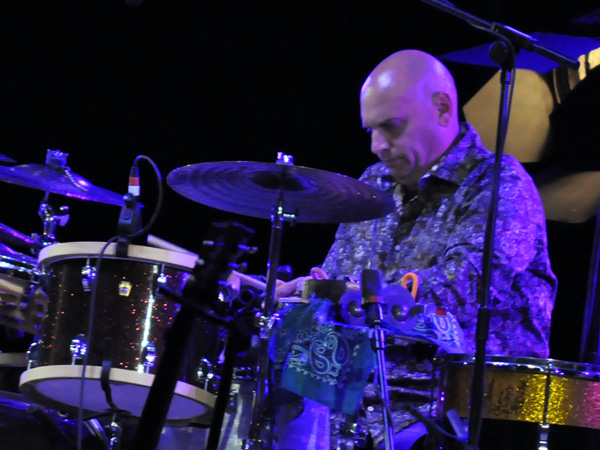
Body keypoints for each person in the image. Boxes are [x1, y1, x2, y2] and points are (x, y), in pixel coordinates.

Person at [270, 49, 557, 450]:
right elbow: (339, 284)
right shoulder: (374, 183)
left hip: (452, 414)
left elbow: (463, 288)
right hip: (358, 409)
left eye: (391, 127)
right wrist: (302, 289)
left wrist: (357, 292)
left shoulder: (500, 183)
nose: (377, 146)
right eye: (370, 131)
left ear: (442, 108)